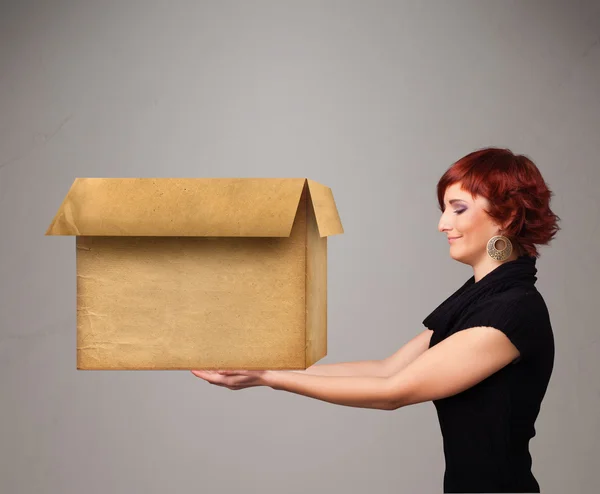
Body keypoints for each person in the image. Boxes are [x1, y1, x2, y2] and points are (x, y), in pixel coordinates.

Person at [191, 147, 560, 493]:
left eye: (458, 209)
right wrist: (266, 369)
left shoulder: (512, 312)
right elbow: (386, 369)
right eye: (443, 208)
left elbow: (392, 391)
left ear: (507, 216)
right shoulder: (480, 300)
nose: (442, 224)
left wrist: (268, 378)